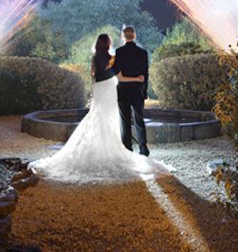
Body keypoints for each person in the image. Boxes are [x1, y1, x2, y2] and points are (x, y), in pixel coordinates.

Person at [30, 31, 170, 184]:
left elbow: (108, 71)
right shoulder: (108, 59)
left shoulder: (99, 58)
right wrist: (136, 78)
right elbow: (118, 75)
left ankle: (109, 148)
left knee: (103, 120)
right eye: (109, 41)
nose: (111, 43)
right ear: (106, 43)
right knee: (109, 121)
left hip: (101, 92)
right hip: (107, 93)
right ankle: (116, 150)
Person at [112, 24, 150, 155]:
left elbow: (117, 74)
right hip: (138, 90)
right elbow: (146, 75)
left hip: (123, 91)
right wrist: (144, 92)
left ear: (123, 37)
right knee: (139, 120)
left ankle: (127, 149)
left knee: (125, 121)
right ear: (134, 36)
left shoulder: (119, 52)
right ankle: (143, 149)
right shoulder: (143, 53)